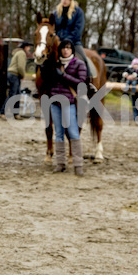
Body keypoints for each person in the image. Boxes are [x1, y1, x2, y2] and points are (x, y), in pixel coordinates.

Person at [50, 40, 87, 175]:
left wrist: (64, 76)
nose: (66, 50)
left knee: (73, 132)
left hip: (69, 102)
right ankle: (60, 163)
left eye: (68, 48)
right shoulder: (55, 64)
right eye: (63, 48)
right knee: (58, 134)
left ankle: (78, 165)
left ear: (72, 50)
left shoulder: (79, 64)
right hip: (55, 102)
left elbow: (81, 82)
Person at [53, 0, 93, 89]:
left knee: (84, 59)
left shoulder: (78, 12)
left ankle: (88, 82)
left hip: (74, 42)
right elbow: (53, 28)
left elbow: (78, 30)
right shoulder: (56, 13)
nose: (64, 0)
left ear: (71, 0)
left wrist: (66, 41)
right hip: (58, 42)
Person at [0, 40, 31, 120]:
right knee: (13, 94)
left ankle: (16, 113)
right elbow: (20, 67)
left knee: (16, 94)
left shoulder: (18, 52)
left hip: (12, 74)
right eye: (28, 47)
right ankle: (3, 112)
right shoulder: (22, 53)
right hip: (15, 74)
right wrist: (23, 75)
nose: (29, 49)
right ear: (25, 47)